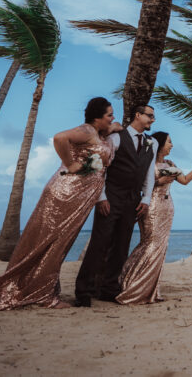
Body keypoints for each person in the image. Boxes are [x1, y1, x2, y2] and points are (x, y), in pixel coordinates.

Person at [0, 97, 117, 310]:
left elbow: (105, 140)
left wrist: (111, 129)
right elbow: (59, 138)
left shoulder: (98, 133)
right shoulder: (86, 130)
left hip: (80, 197)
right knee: (51, 243)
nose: (113, 118)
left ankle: (38, 289)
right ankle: (41, 294)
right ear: (96, 117)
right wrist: (71, 164)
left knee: (58, 244)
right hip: (66, 193)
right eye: (109, 115)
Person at [75, 104, 158, 306]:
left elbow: (149, 172)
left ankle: (109, 289)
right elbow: (101, 170)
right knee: (99, 243)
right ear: (137, 115)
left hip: (133, 200)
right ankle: (83, 291)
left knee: (121, 246)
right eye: (149, 116)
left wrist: (146, 199)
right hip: (111, 196)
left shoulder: (152, 143)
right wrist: (101, 197)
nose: (152, 120)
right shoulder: (116, 138)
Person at [117, 133, 192, 304]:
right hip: (151, 206)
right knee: (150, 244)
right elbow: (138, 183)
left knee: (161, 248)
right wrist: (159, 181)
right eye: (169, 142)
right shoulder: (148, 162)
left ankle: (151, 290)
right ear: (160, 144)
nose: (172, 145)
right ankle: (130, 280)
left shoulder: (170, 164)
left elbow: (185, 181)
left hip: (167, 207)